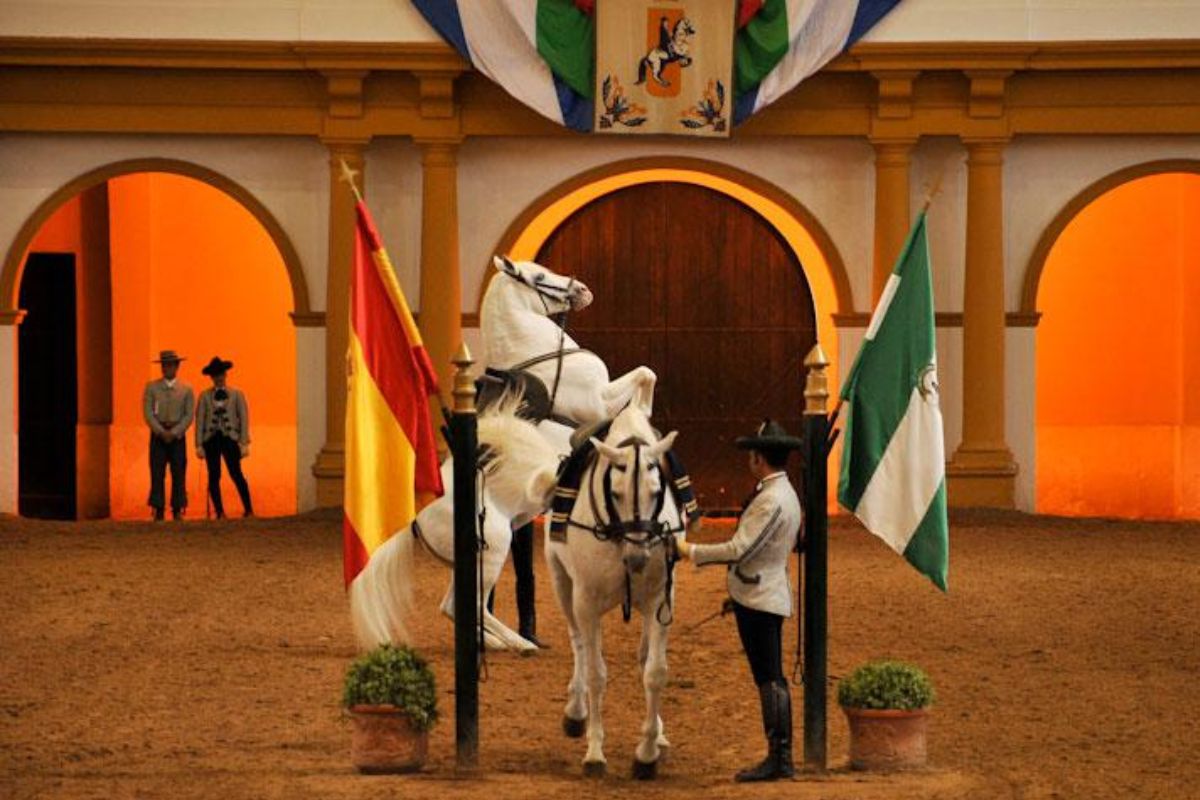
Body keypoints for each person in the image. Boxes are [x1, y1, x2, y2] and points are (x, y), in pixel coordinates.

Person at [676, 419, 804, 782]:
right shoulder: (779, 493)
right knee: (769, 676)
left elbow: (741, 548)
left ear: (759, 458)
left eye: (752, 453)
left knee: (769, 677)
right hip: (758, 592)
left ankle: (779, 757)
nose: (749, 459)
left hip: (762, 597)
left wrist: (689, 550)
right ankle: (779, 755)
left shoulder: (772, 500)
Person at [194, 356, 253, 519]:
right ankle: (219, 511)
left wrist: (244, 441)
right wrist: (198, 444)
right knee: (214, 475)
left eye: (220, 374)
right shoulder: (204, 396)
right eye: (215, 375)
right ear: (211, 377)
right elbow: (200, 420)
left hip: (230, 438)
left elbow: (244, 418)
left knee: (236, 473)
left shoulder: (236, 394)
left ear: (225, 375)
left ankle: (248, 508)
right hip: (211, 439)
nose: (218, 378)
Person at [142, 349, 195, 521]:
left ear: (177, 366)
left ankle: (178, 507)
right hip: (158, 434)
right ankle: (158, 507)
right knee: (157, 471)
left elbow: (189, 415)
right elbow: (148, 413)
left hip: (177, 435)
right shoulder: (152, 388)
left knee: (178, 471)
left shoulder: (186, 389)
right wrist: (159, 431)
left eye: (171, 365)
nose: (167, 368)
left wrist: (175, 432)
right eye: (165, 365)